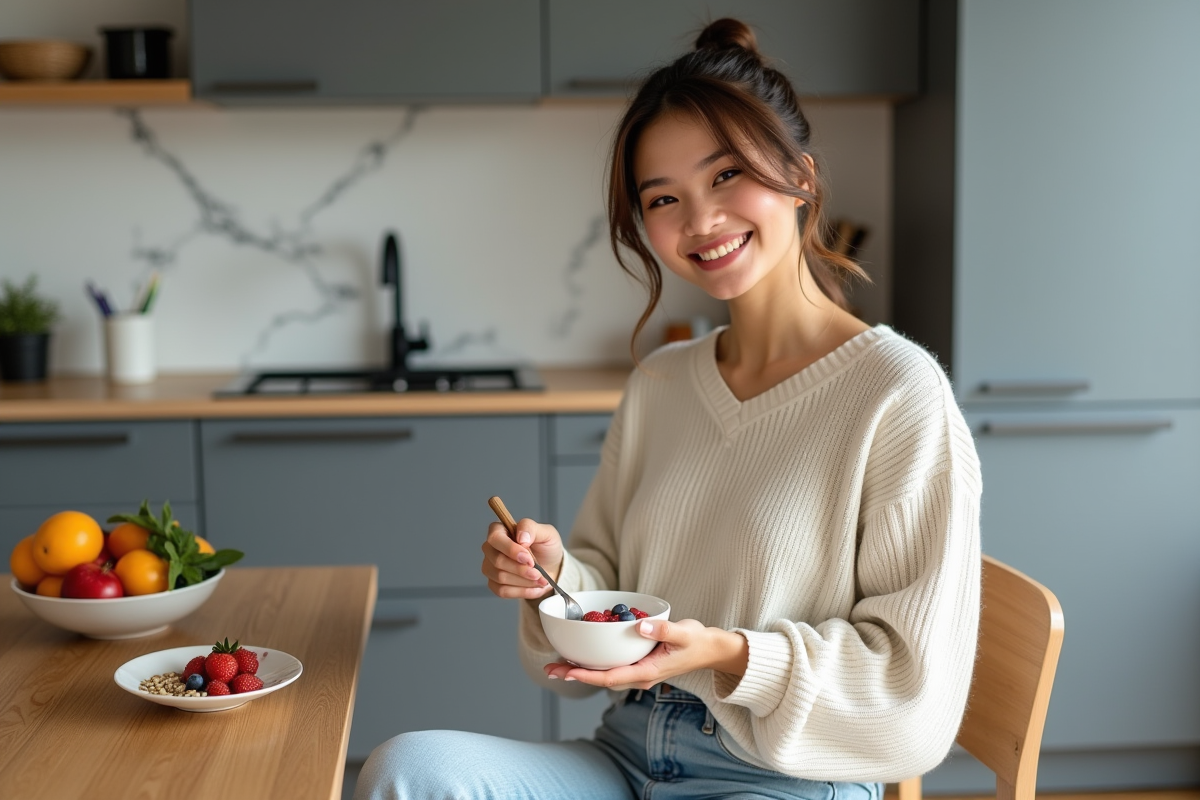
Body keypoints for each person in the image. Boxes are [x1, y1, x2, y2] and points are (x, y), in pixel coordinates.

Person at [355, 17, 981, 800]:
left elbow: (912, 692)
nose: (700, 220)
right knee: (408, 773)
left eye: (725, 177)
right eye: (664, 197)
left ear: (802, 176)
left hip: (780, 778)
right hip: (623, 757)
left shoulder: (896, 392)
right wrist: (554, 576)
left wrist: (728, 654)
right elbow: (609, 588)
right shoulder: (662, 384)